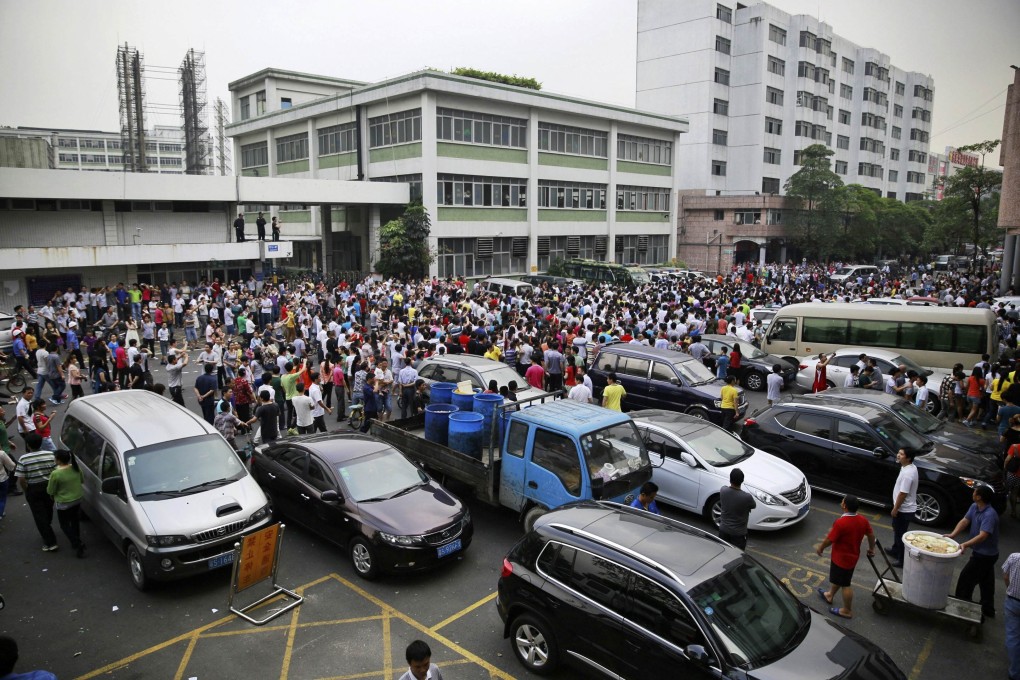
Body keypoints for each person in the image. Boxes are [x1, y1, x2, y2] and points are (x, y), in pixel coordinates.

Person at [816, 494, 876, 619]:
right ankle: (830, 595)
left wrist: (821, 547)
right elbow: (871, 535)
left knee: (845, 584)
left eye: (842, 501)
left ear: (844, 506)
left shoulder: (841, 523)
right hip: (853, 557)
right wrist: (871, 548)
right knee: (841, 578)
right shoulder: (863, 520)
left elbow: (830, 539)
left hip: (841, 559)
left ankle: (847, 610)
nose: (841, 502)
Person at [947, 485, 1000, 620]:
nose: (973, 493)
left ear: (979, 497)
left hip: (984, 556)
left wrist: (965, 544)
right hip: (986, 554)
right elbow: (965, 521)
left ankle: (964, 610)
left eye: (975, 492)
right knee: (986, 583)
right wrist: (953, 535)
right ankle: (988, 609)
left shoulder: (989, 515)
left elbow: (983, 536)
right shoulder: (974, 507)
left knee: (966, 581)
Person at [13, 432, 57, 551]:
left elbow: (21, 479)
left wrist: (26, 490)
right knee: (48, 509)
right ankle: (47, 527)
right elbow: (56, 472)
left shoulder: (23, 458)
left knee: (39, 515)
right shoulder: (50, 455)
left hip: (33, 488)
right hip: (48, 487)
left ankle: (50, 542)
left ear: (28, 445)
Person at [46, 449, 85, 558]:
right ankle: (76, 540)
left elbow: (50, 490)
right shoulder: (76, 468)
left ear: (58, 460)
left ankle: (77, 542)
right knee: (74, 521)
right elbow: (82, 480)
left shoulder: (56, 473)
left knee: (64, 524)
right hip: (77, 499)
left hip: (64, 503)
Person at [888, 447, 919, 567]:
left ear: (908, 458)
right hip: (904, 508)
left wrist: (895, 508)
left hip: (903, 510)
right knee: (897, 531)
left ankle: (901, 560)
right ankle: (895, 550)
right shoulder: (909, 467)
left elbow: (903, 493)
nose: (898, 455)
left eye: (901, 454)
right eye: (899, 452)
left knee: (900, 534)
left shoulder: (908, 474)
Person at [718, 467, 756, 550]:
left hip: (723, 530)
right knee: (737, 555)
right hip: (738, 534)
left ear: (730, 479)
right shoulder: (746, 497)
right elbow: (753, 505)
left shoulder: (723, 490)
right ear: (742, 481)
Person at [1001, 550, 1020, 680]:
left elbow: (1006, 577)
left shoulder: (1014, 557)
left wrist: (1010, 589)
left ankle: (1015, 673)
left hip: (1013, 602)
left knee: (1013, 637)